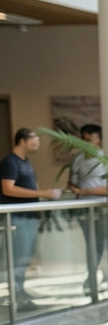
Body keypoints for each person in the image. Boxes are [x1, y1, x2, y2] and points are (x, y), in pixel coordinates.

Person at [1, 128, 61, 310]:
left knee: (25, 257)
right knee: (18, 257)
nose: (37, 144)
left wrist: (42, 195)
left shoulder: (25, 162)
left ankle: (20, 291)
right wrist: (42, 193)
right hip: (17, 219)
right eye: (35, 140)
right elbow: (8, 188)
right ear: (23, 141)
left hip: (29, 218)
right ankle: (16, 295)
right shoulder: (10, 162)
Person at [68, 124, 108, 297]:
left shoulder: (106, 158)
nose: (86, 143)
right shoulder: (78, 159)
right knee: (91, 245)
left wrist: (84, 191)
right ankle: (91, 279)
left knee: (102, 245)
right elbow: (72, 184)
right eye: (83, 139)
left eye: (89, 139)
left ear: (98, 139)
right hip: (84, 209)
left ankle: (102, 279)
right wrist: (77, 190)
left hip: (102, 208)